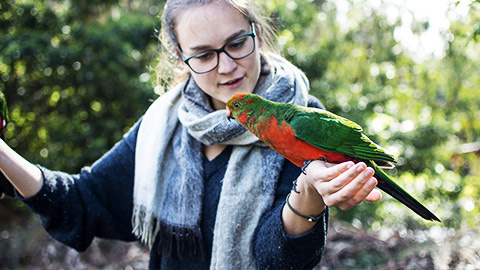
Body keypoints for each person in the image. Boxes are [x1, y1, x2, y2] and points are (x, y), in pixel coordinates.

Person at [0, 0, 382, 269]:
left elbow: (276, 260)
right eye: (203, 55)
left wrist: (309, 196)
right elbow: (81, 205)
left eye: (236, 43)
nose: (227, 66)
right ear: (180, 57)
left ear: (257, 35)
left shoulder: (301, 119)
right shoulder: (161, 126)